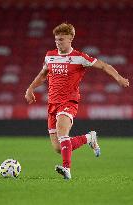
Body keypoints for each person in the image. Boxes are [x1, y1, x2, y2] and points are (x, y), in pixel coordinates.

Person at [25, 23, 129, 180]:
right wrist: (30, 88)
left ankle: (67, 169)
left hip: (69, 102)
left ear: (70, 39)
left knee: (62, 131)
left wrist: (119, 78)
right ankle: (89, 138)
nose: (58, 42)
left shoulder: (80, 57)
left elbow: (104, 66)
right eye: (56, 40)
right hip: (52, 103)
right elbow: (42, 74)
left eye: (61, 39)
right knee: (58, 147)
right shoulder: (50, 55)